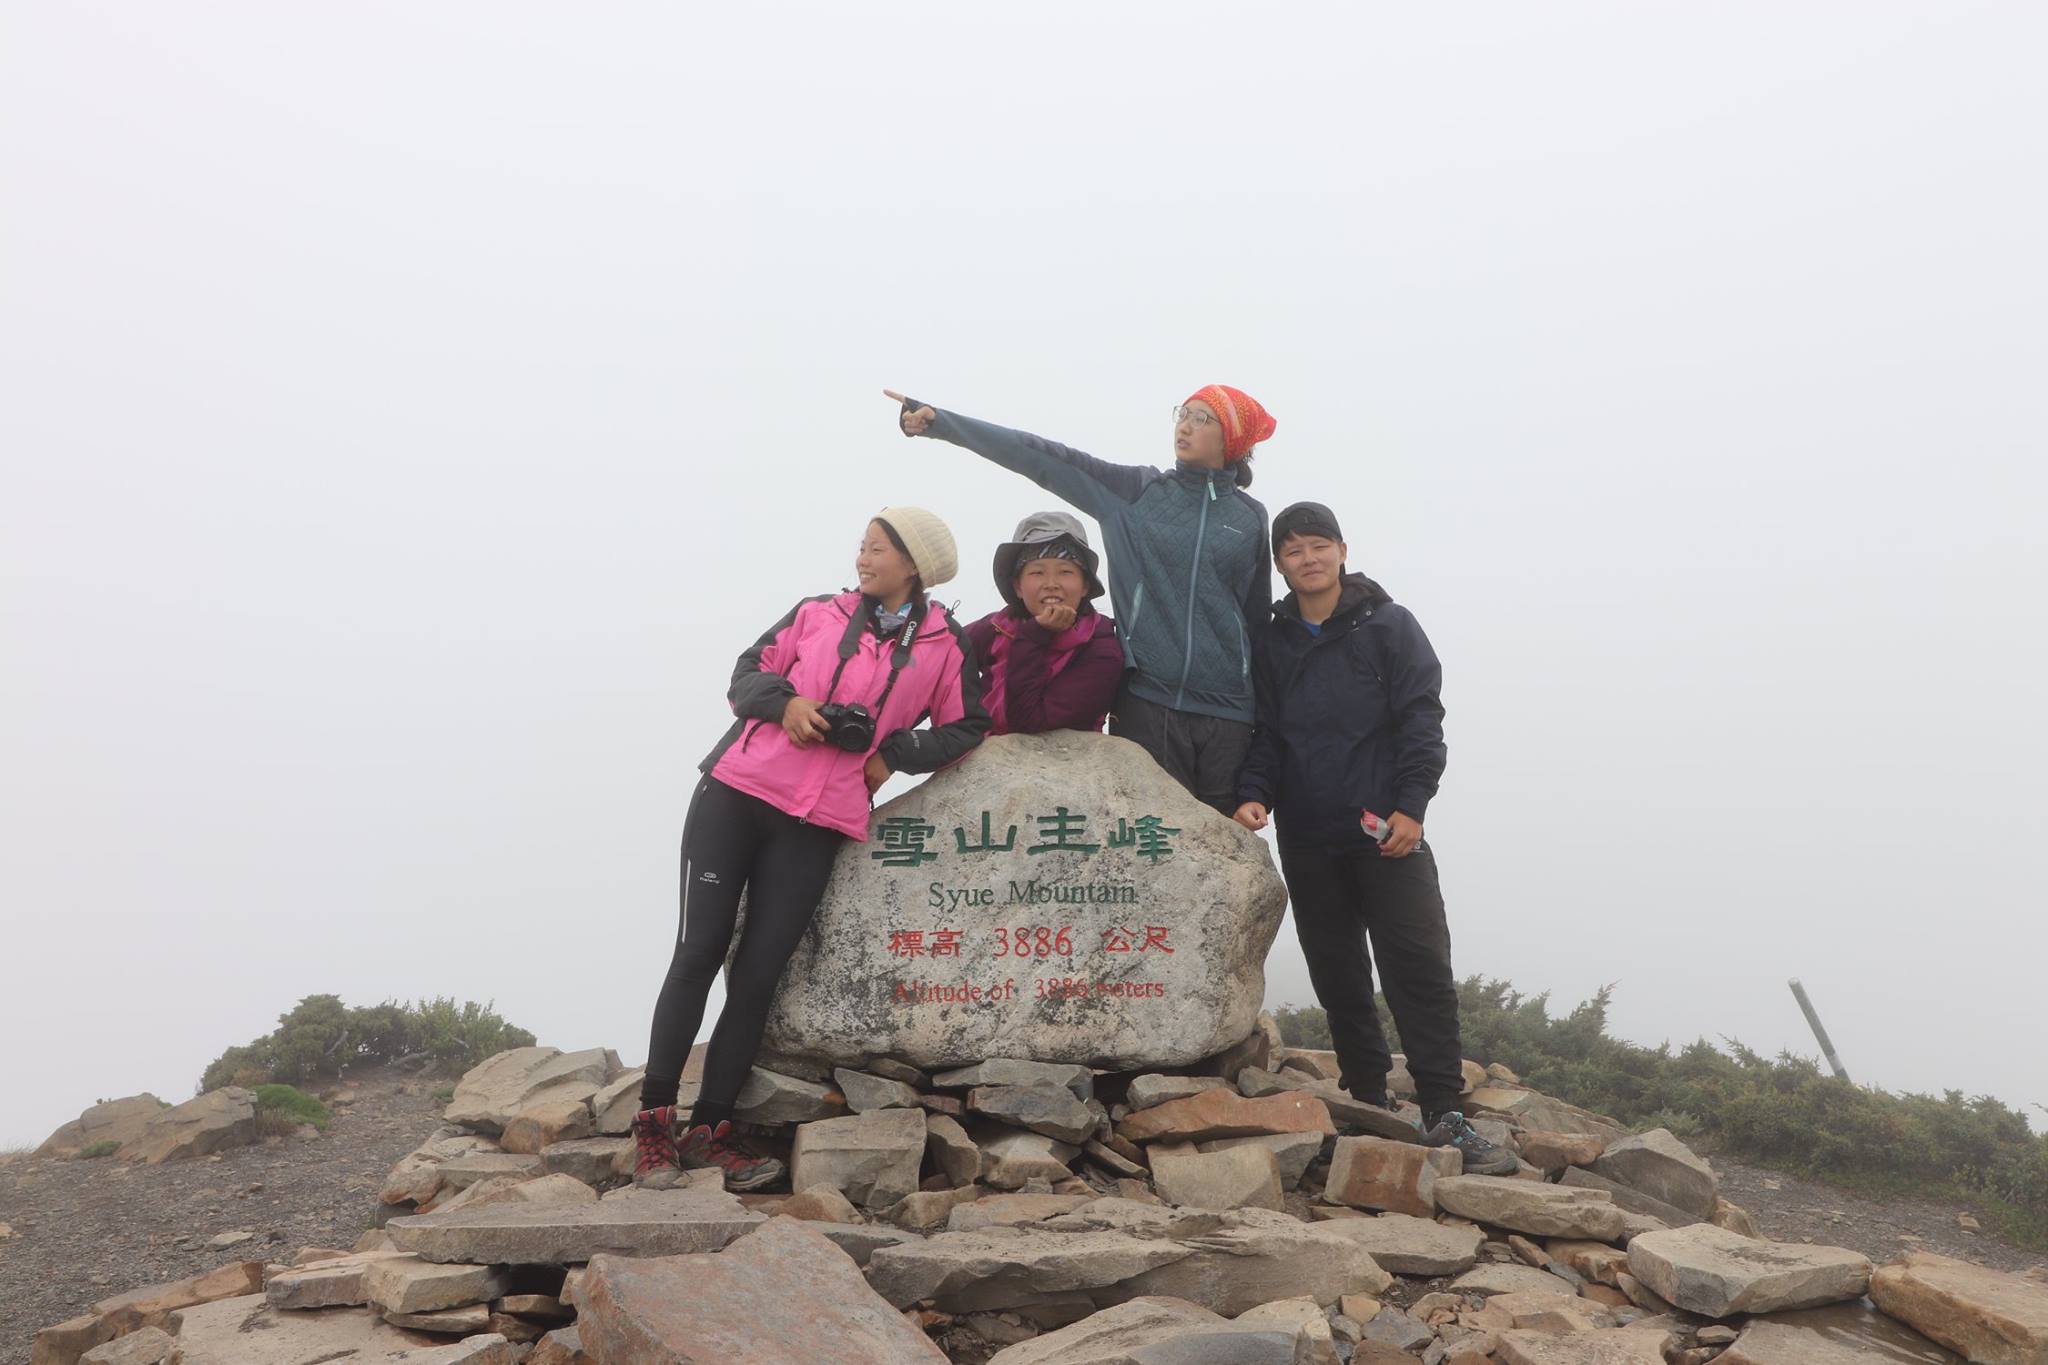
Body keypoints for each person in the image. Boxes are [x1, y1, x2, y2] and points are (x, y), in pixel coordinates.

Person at [631, 508, 989, 1191]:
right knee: (699, 950)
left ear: (913, 562)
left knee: (758, 974)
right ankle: (652, 1123)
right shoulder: (818, 613)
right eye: (863, 545)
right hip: (737, 793)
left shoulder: (945, 644)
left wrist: (895, 751)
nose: (863, 556)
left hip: (820, 819)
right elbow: (746, 675)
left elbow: (968, 723)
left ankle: (710, 1129)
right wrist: (787, 704)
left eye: (877, 548)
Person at [1232, 501, 1514, 1175]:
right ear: (1279, 563)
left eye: (1319, 544)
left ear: (1342, 550)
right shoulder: (1271, 640)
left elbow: (1422, 717)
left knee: (1417, 967)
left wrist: (1412, 806)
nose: (1308, 557)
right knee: (1339, 975)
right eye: (1293, 548)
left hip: (1389, 832)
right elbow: (1267, 732)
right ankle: (1367, 1099)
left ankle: (1445, 1111)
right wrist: (1254, 793)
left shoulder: (1389, 625)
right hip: (1308, 834)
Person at [886, 385, 1273, 813]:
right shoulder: (1135, 493)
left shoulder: (1250, 518)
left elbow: (1255, 621)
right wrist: (943, 423)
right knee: (1152, 847)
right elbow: (1044, 458)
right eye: (1184, 412)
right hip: (1149, 701)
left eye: (1203, 418)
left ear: (1232, 440)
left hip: (1229, 713)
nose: (1185, 425)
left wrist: (1260, 720)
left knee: (1225, 857)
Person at [964, 512, 1125, 737]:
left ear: (1085, 585)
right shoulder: (997, 627)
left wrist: (1034, 636)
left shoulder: (1100, 650)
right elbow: (938, 656)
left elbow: (1028, 722)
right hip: (980, 757)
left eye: (1065, 572)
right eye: (1037, 572)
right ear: (1018, 586)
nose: (1051, 584)